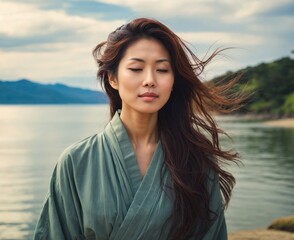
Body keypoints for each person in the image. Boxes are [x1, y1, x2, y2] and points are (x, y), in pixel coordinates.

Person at [33, 17, 243, 240]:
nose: (150, 80)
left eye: (162, 70)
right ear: (112, 78)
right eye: (136, 68)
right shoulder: (76, 161)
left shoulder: (196, 160)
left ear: (173, 81)